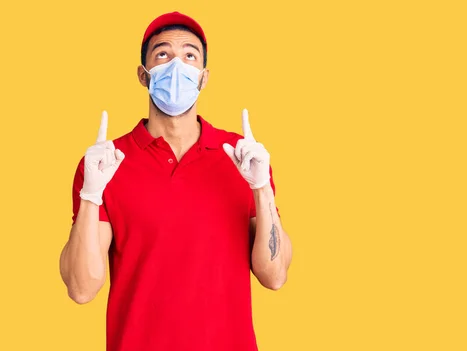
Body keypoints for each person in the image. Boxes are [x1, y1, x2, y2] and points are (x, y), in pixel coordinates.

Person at [59, 11, 293, 351]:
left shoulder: (242, 159)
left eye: (189, 56)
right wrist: (91, 194)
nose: (177, 66)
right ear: (143, 74)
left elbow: (274, 276)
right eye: (163, 54)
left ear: (203, 77)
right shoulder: (107, 163)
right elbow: (81, 289)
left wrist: (261, 190)